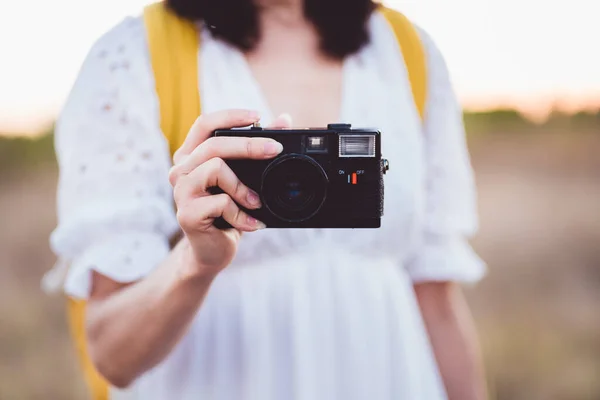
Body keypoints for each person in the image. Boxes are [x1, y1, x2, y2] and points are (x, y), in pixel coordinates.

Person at [47, 0, 488, 398]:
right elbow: (111, 357)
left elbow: (437, 303)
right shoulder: (134, 55)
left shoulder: (405, 49)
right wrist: (195, 263)